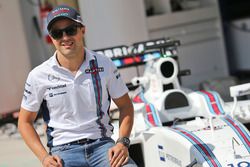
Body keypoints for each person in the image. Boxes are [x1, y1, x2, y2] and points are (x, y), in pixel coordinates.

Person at [18, 5, 137, 167]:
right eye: (57, 33)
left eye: (71, 30)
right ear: (51, 38)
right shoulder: (38, 75)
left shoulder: (104, 64)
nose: (65, 37)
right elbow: (24, 122)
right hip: (63, 152)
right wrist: (44, 157)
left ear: (83, 30)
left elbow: (125, 106)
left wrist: (122, 142)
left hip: (103, 146)